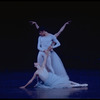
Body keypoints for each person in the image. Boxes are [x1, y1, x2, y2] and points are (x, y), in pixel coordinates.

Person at [19, 51, 88, 89]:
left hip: (51, 77)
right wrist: (25, 86)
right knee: (65, 85)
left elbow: (45, 60)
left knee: (66, 81)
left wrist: (46, 54)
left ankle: (80, 84)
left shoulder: (42, 66)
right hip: (49, 81)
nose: (37, 63)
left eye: (36, 62)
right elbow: (31, 80)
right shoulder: (36, 72)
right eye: (35, 63)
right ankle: (80, 86)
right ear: (35, 65)